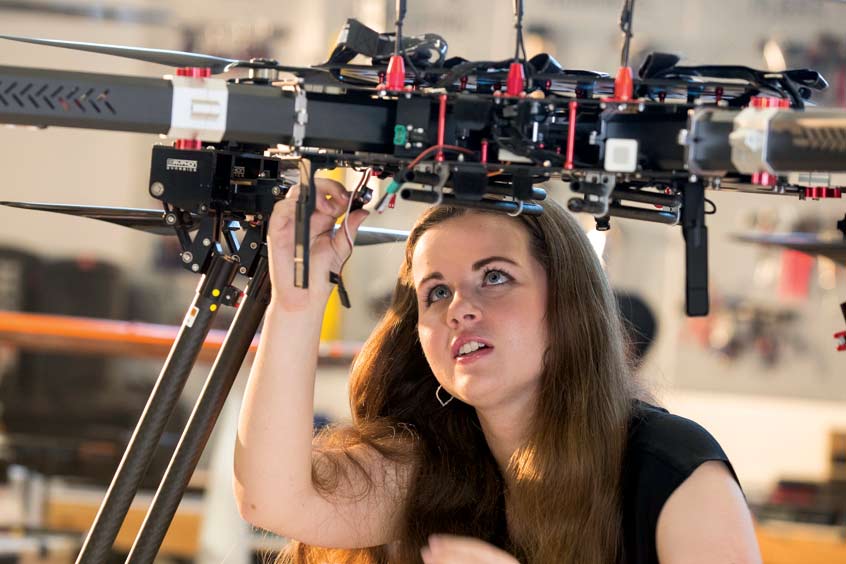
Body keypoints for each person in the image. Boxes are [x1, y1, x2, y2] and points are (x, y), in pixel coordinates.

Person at [234, 178, 761, 564]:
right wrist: (297, 304)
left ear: (567, 302)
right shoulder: (439, 462)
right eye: (436, 292)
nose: (459, 308)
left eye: (494, 277)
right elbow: (273, 499)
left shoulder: (674, 472)